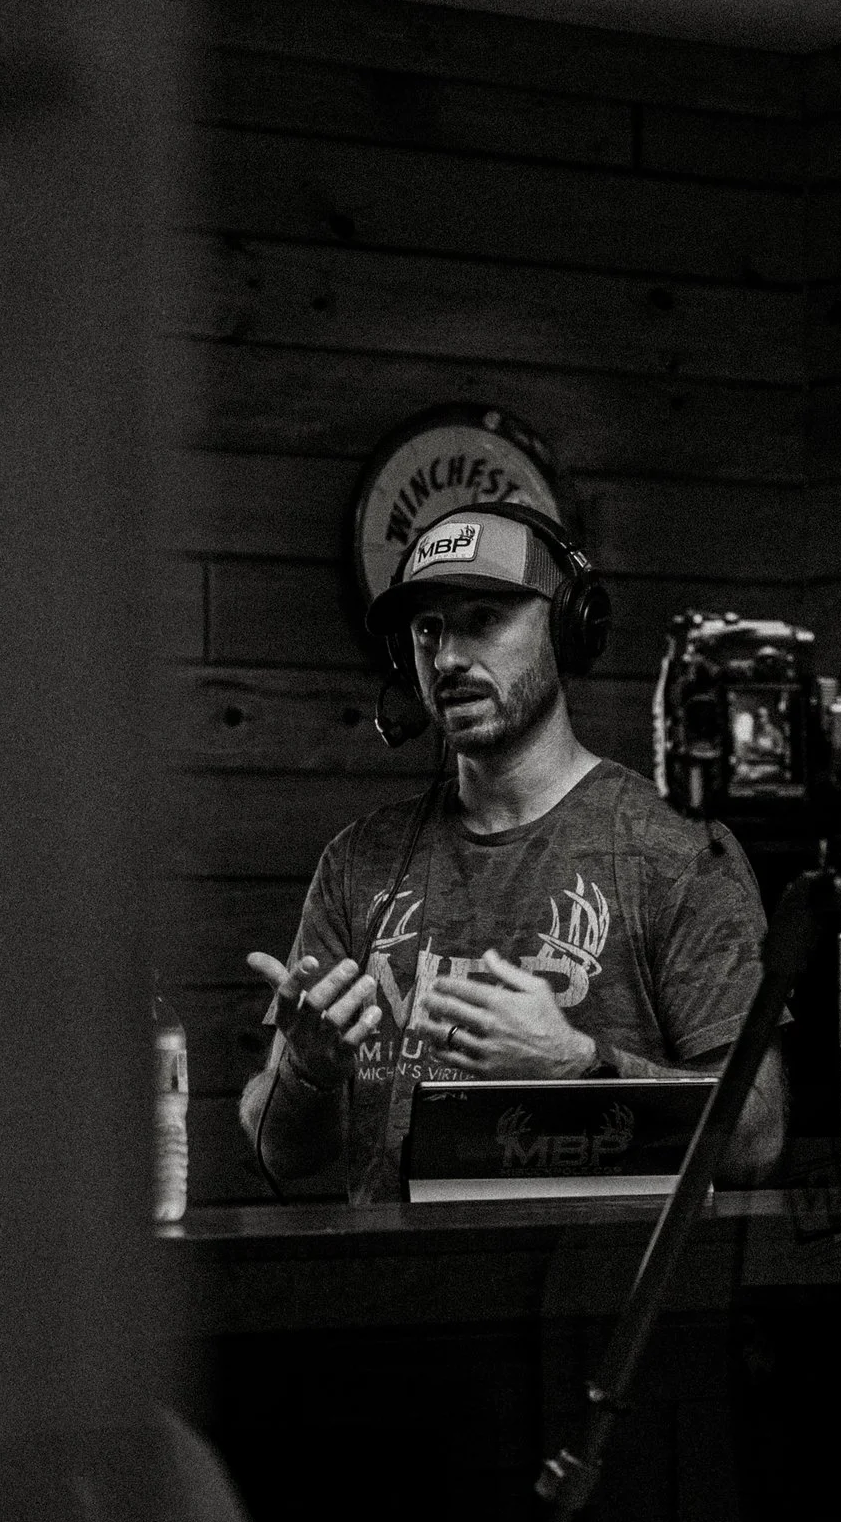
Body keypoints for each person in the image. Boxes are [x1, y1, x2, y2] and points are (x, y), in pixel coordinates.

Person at [239, 503, 785, 1203]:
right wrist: (308, 1076)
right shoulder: (358, 864)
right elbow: (283, 1159)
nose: (450, 657)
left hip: (598, 1297)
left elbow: (758, 1140)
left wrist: (581, 1067)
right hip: (395, 1295)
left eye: (484, 619)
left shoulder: (676, 852)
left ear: (568, 628)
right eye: (429, 629)